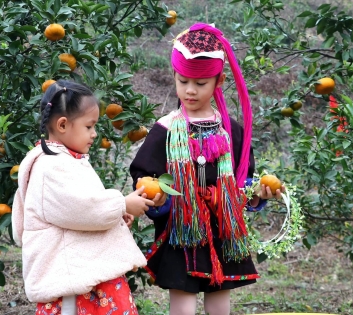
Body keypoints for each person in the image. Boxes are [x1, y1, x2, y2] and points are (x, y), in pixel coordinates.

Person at [129, 23, 285, 315]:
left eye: (200, 84)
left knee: (220, 298)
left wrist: (256, 194)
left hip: (222, 225)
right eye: (182, 81)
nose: (190, 90)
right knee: (184, 299)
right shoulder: (166, 128)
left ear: (218, 81)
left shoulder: (232, 131)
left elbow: (243, 179)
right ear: (174, 76)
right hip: (181, 225)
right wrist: (158, 196)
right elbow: (144, 174)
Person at [12, 80, 154, 315]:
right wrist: (121, 204)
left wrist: (116, 215)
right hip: (74, 289)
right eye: (89, 126)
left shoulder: (62, 159)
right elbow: (84, 209)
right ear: (63, 124)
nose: (94, 133)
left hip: (84, 279)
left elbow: (79, 211)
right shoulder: (51, 167)